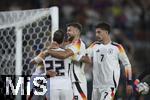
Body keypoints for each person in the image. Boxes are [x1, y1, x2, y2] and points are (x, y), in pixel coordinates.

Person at [82, 22, 133, 100]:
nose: (96, 35)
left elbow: (127, 64)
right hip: (96, 85)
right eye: (96, 32)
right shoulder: (94, 45)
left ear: (106, 32)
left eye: (99, 32)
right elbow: (84, 55)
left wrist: (129, 82)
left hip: (109, 85)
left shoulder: (117, 47)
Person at [44, 22, 87, 100]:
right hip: (69, 81)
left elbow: (64, 55)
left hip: (77, 81)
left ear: (77, 32)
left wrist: (48, 51)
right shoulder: (68, 44)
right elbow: (58, 47)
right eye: (67, 31)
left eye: (69, 30)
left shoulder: (78, 44)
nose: (67, 32)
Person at [29, 29, 73, 100]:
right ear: (62, 41)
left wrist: (46, 51)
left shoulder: (45, 54)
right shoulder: (67, 53)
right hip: (66, 86)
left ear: (53, 39)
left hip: (52, 87)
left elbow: (32, 62)